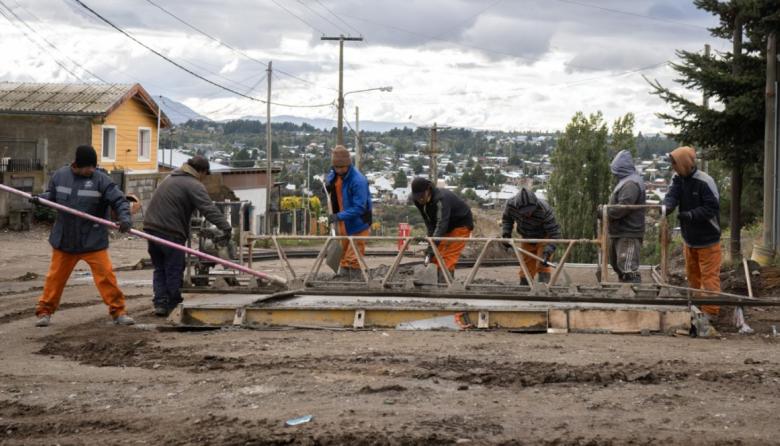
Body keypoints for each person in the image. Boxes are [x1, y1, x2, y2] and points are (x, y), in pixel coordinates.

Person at [31, 145, 134, 327]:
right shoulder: (60, 176)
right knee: (55, 278)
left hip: (92, 239)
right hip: (65, 239)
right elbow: (53, 197)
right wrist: (40, 199)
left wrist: (125, 218)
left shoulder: (102, 180)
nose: (92, 170)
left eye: (94, 166)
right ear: (77, 164)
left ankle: (119, 312)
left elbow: (119, 200)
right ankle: (44, 312)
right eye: (89, 167)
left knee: (106, 277)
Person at [143, 155, 232, 316]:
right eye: (205, 175)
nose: (205, 179)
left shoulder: (171, 177)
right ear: (202, 171)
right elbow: (208, 209)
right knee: (174, 266)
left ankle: (160, 304)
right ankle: (173, 303)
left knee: (160, 267)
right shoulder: (193, 184)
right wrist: (226, 227)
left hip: (151, 227)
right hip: (169, 230)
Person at [663, 146, 721, 319]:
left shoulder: (704, 182)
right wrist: (665, 207)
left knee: (709, 278)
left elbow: (711, 208)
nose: (673, 167)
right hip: (690, 239)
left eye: (675, 164)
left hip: (708, 239)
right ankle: (695, 308)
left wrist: (691, 215)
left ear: (685, 164)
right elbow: (672, 196)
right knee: (693, 276)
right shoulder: (678, 179)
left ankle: (710, 313)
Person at [411, 177, 474, 283]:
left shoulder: (441, 200)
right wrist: (431, 245)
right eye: (417, 197)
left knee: (448, 256)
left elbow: (441, 224)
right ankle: (433, 282)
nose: (420, 199)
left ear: (428, 190)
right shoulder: (418, 201)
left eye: (422, 196)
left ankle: (445, 283)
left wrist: (433, 245)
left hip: (461, 224)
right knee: (435, 255)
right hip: (446, 226)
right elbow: (429, 223)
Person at [598, 150, 647, 283]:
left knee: (628, 267)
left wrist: (605, 212)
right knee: (619, 265)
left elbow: (623, 207)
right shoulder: (626, 181)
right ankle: (625, 292)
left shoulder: (630, 184)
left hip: (628, 232)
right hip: (620, 231)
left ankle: (633, 297)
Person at [325, 145, 373, 280]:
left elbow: (359, 208)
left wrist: (338, 216)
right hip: (343, 221)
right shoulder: (335, 174)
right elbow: (331, 177)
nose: (339, 170)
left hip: (358, 223)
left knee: (353, 255)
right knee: (343, 252)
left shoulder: (358, 181)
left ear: (348, 164)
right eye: (336, 167)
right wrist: (328, 184)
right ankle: (344, 276)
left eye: (342, 167)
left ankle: (353, 278)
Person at [501, 187, 561, 284]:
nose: (528, 214)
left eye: (530, 211)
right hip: (526, 238)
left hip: (543, 238)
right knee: (526, 268)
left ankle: (543, 289)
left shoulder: (544, 209)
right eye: (525, 212)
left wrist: (548, 251)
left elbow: (555, 233)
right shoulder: (510, 205)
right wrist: (506, 234)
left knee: (543, 265)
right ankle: (525, 288)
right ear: (518, 207)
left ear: (535, 205)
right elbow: (507, 220)